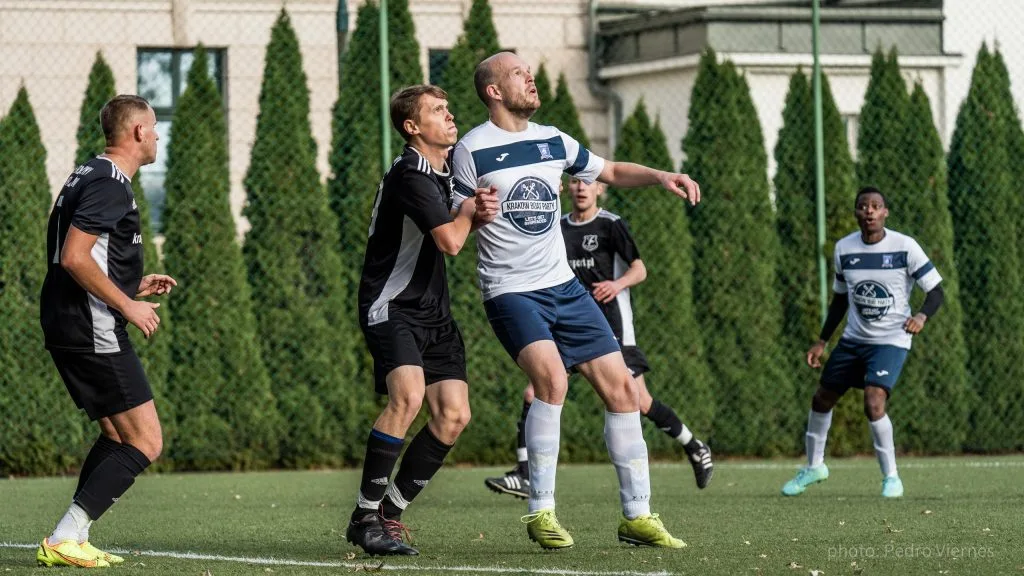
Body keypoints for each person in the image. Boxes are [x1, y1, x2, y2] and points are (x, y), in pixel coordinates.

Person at [452, 52, 700, 550]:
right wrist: (474, 212)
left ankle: (637, 516)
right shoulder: (471, 149)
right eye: (519, 74)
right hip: (511, 290)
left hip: (564, 287)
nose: (531, 78)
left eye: (529, 71)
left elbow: (607, 170)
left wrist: (659, 175)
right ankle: (541, 511)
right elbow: (455, 224)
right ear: (494, 91)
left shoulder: (553, 139)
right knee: (552, 381)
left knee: (625, 392)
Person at [484, 178, 713, 499]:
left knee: (637, 398)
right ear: (565, 187)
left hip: (612, 325)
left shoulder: (611, 225)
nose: (581, 188)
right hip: (569, 323)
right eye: (576, 181)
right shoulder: (557, 227)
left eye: (588, 182)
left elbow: (640, 269)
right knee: (533, 392)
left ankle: (693, 445)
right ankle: (524, 473)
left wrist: (617, 285)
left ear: (600, 189)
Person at [346, 84, 498, 556]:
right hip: (392, 305)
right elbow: (452, 241)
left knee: (454, 415)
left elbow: (463, 214)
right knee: (408, 397)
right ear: (413, 127)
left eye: (449, 108)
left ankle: (388, 515)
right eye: (437, 111)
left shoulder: (447, 168)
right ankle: (364, 516)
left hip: (434, 312)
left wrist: (479, 208)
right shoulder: (410, 174)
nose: (449, 116)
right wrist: (472, 212)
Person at [37, 94, 177, 568]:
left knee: (119, 436)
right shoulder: (111, 182)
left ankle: (73, 535)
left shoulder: (87, 173)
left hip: (70, 318)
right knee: (146, 440)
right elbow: (74, 257)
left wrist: (131, 282)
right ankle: (65, 535)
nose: (158, 135)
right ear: (137, 131)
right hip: (90, 323)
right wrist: (127, 305)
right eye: (154, 127)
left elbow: (75, 258)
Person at [782, 186, 944, 499]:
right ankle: (815, 467)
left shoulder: (905, 247)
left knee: (873, 402)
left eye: (875, 206)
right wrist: (821, 341)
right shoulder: (845, 249)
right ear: (856, 213)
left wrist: (921, 317)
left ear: (885, 213)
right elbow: (840, 300)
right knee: (821, 399)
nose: (869, 211)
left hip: (892, 340)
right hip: (854, 340)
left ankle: (892, 478)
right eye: (863, 206)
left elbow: (936, 291)